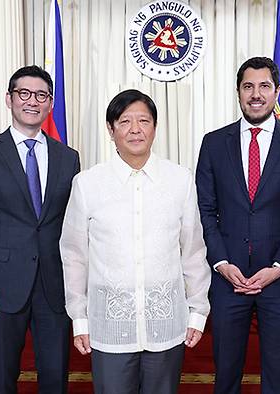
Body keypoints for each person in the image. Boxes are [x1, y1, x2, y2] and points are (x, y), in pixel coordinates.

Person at [59, 89, 211, 394]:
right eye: (125, 121)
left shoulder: (180, 180)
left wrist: (198, 310)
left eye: (144, 120)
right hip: (110, 327)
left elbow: (193, 250)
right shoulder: (88, 184)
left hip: (166, 324)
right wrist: (80, 318)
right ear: (111, 129)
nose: (135, 129)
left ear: (155, 127)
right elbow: (74, 255)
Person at [195, 57, 280, 394]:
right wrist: (221, 263)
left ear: (277, 91)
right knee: (225, 377)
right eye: (248, 86)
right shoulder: (213, 143)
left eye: (264, 86)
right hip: (228, 281)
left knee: (279, 378)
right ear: (238, 92)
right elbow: (205, 210)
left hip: (279, 282)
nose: (256, 94)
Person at [0, 65, 80, 394]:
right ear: (9, 100)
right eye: (23, 94)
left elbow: (74, 226)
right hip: (0, 285)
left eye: (41, 95)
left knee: (55, 377)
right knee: (2, 377)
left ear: (50, 103)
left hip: (54, 286)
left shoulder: (68, 158)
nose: (32, 101)